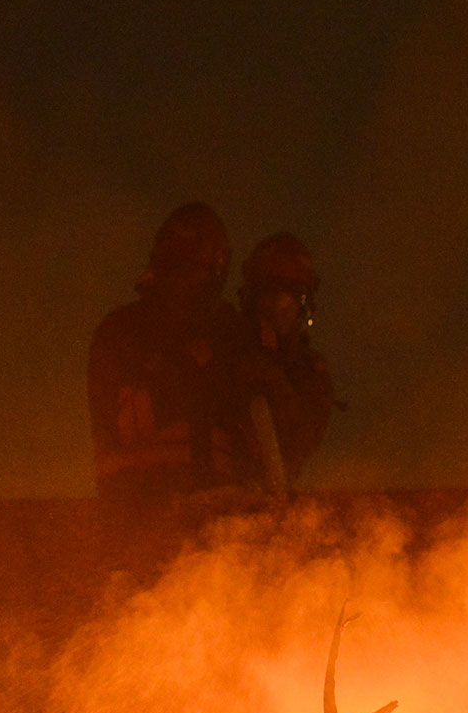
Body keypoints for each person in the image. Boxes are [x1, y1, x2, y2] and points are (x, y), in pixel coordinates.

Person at [87, 202, 246, 512]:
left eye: (195, 274)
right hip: (144, 511)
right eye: (184, 273)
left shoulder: (229, 333)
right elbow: (121, 421)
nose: (189, 285)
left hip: (210, 514)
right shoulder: (124, 332)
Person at [234, 232, 335, 494]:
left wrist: (271, 378)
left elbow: (294, 446)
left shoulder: (310, 374)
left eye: (286, 302)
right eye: (266, 298)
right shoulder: (221, 347)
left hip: (262, 498)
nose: (274, 312)